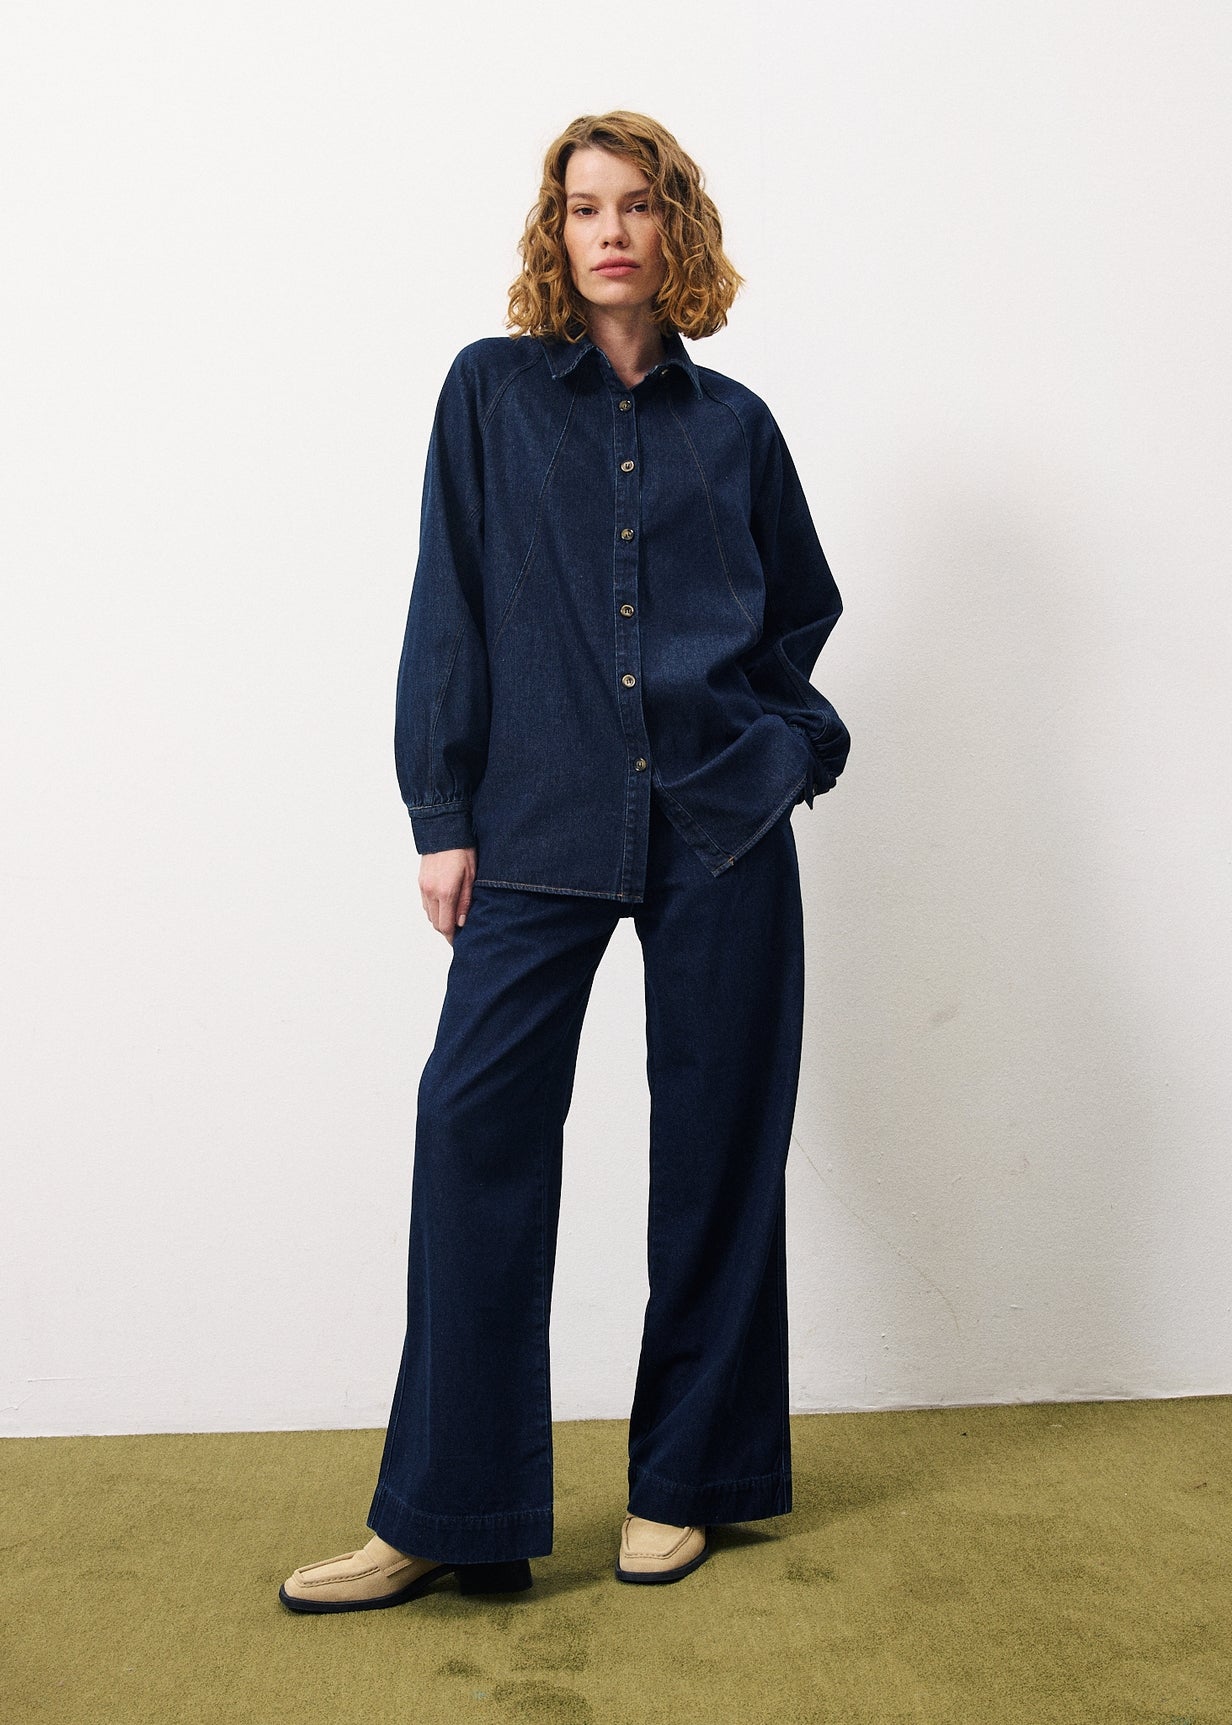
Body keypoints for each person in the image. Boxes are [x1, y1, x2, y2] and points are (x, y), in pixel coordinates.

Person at [279, 108, 849, 1614]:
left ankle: (688, 1482)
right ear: (558, 231)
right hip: (536, 819)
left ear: (676, 229)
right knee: (472, 1126)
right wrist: (441, 810)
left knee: (721, 1151)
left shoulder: (737, 427)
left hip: (720, 827)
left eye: (638, 205)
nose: (611, 231)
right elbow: (448, 598)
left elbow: (795, 614)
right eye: (586, 206)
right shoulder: (489, 394)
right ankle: (448, 1509)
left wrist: (782, 745)